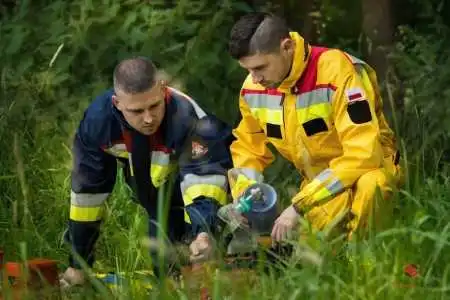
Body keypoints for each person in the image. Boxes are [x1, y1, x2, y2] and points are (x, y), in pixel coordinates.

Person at [226, 12, 402, 245]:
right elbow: (248, 149)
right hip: (321, 186)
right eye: (247, 70)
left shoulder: (337, 70)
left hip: (369, 171)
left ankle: (367, 266)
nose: (255, 78)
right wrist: (246, 197)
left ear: (286, 47)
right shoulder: (252, 89)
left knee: (373, 184)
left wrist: (300, 205)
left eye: (260, 67)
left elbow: (364, 154)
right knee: (308, 262)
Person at [60, 57, 234, 287]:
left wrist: (204, 233)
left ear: (162, 89)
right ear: (117, 103)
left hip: (207, 198)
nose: (148, 118)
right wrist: (78, 264)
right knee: (167, 276)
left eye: (154, 106)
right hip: (156, 198)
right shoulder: (98, 123)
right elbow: (87, 197)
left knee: (209, 277)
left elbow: (206, 183)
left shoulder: (189, 118)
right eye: (137, 111)